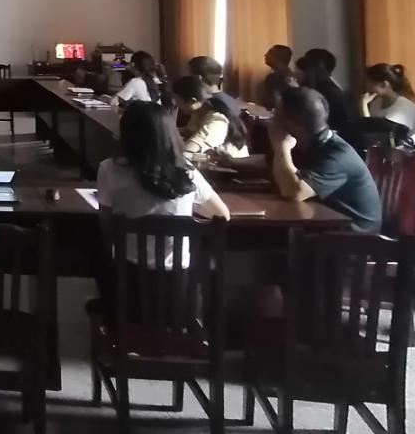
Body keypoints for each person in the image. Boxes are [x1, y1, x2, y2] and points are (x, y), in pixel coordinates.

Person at [96, 101, 230, 268]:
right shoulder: (187, 171)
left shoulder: (109, 169)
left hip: (128, 274)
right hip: (179, 278)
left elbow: (107, 226)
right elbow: (222, 215)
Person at [270, 86, 381, 233]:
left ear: (294, 125)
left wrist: (281, 147)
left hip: (352, 237)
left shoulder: (337, 155)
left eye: (276, 116)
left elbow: (294, 192)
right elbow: (275, 170)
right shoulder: (307, 143)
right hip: (323, 224)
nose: (272, 121)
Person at [172, 75, 249, 159]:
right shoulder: (199, 113)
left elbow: (186, 152)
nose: (175, 104)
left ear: (193, 101)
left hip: (231, 166)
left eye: (177, 100)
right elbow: (189, 131)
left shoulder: (216, 123)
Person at [295, 49, 350, 131]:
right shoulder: (327, 86)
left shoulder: (324, 92)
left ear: (319, 67)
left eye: (308, 66)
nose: (305, 70)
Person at [360, 63, 415, 135]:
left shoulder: (404, 107)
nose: (366, 87)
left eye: (369, 84)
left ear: (383, 85)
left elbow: (379, 134)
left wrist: (363, 105)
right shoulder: (376, 102)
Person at [261, 44, 295, 110]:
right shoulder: (291, 75)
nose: (265, 55)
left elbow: (270, 103)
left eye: (269, 53)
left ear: (277, 57)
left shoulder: (275, 78)